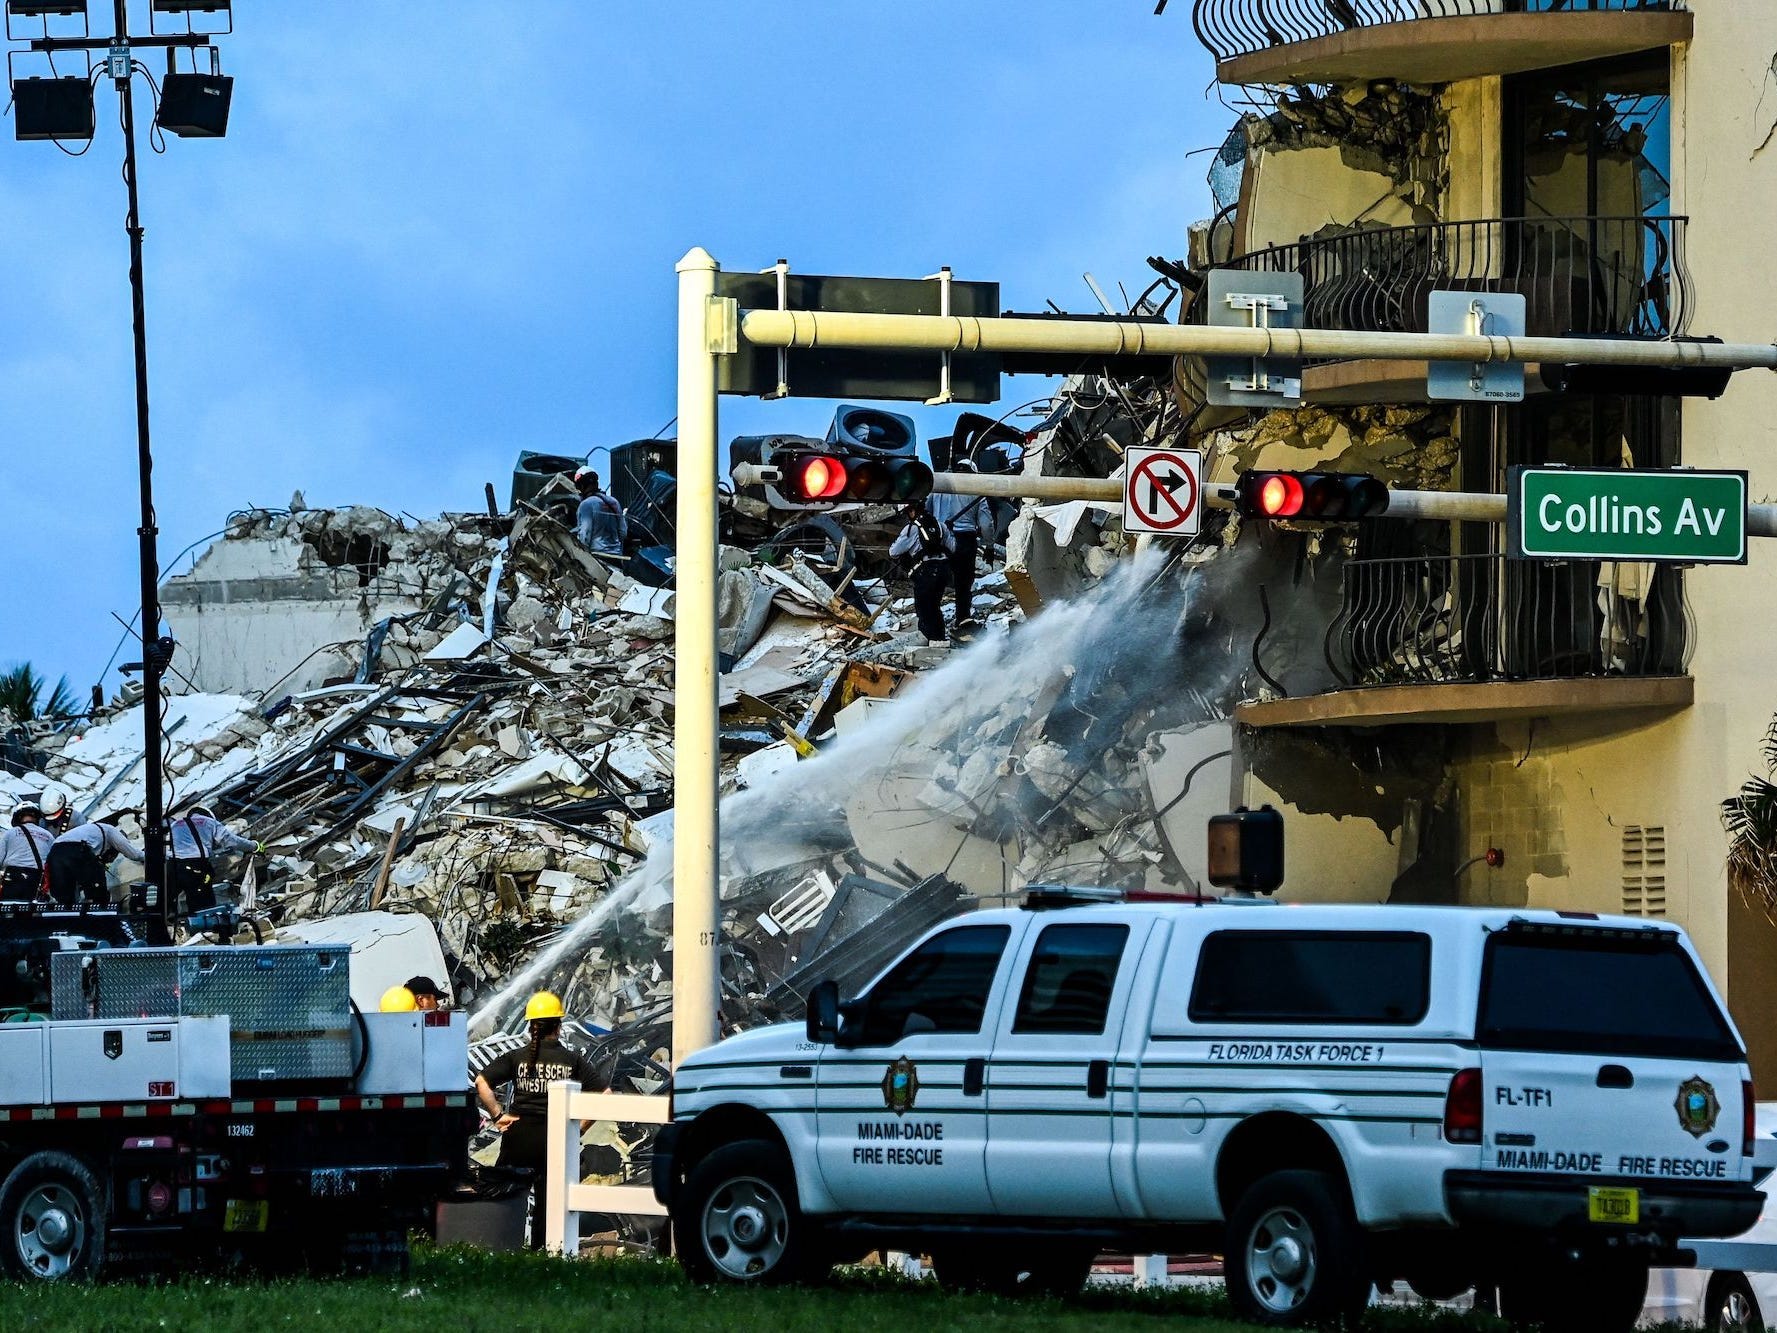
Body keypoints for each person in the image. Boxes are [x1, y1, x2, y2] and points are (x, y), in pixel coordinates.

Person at [473, 991, 606, 1249]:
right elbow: (605, 1095)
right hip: (554, 1141)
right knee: (549, 1202)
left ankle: (498, 1243)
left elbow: (481, 1082)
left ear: (531, 1026)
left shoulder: (516, 1057)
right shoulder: (572, 1060)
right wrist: (577, 1130)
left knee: (506, 1192)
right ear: (558, 1026)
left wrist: (498, 1115)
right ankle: (541, 1251)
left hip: (519, 1137)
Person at [928, 458, 986, 634]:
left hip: (940, 537)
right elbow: (986, 522)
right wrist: (989, 545)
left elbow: (927, 511)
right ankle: (962, 619)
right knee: (963, 583)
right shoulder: (976, 488)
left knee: (936, 581)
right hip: (965, 539)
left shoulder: (939, 485)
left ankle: (933, 625)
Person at [168, 803, 259, 915]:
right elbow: (230, 840)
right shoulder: (208, 822)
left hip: (172, 866)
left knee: (166, 901)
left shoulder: (176, 824)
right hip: (196, 867)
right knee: (203, 905)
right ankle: (201, 930)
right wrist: (254, 846)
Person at [889, 500, 955, 643]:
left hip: (925, 572)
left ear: (911, 511)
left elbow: (893, 551)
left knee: (924, 609)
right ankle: (939, 639)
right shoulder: (940, 525)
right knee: (935, 606)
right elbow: (953, 547)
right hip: (943, 570)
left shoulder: (911, 529)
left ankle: (927, 640)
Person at [47, 817, 143, 907]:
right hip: (76, 849)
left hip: (54, 853)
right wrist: (150, 856)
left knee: (65, 901)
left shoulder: (88, 832)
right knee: (98, 891)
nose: (110, 859)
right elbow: (134, 854)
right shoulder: (111, 831)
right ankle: (100, 916)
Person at [1, 800, 53, 901]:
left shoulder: (10, 833)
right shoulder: (48, 836)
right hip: (38, 879)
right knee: (33, 912)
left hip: (13, 877)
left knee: (9, 909)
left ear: (18, 817)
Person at [573, 468, 628, 558]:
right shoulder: (614, 502)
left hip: (597, 557)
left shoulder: (586, 505)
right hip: (617, 556)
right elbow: (623, 532)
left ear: (582, 486)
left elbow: (585, 536)